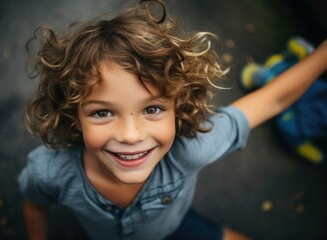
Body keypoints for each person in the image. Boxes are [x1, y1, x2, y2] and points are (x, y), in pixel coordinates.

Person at [19, 0, 327, 239]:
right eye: (102, 112)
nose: (130, 135)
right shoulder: (48, 172)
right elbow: (34, 205)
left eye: (152, 109)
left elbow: (274, 99)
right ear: (74, 118)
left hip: (173, 228)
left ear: (177, 108)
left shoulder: (190, 150)